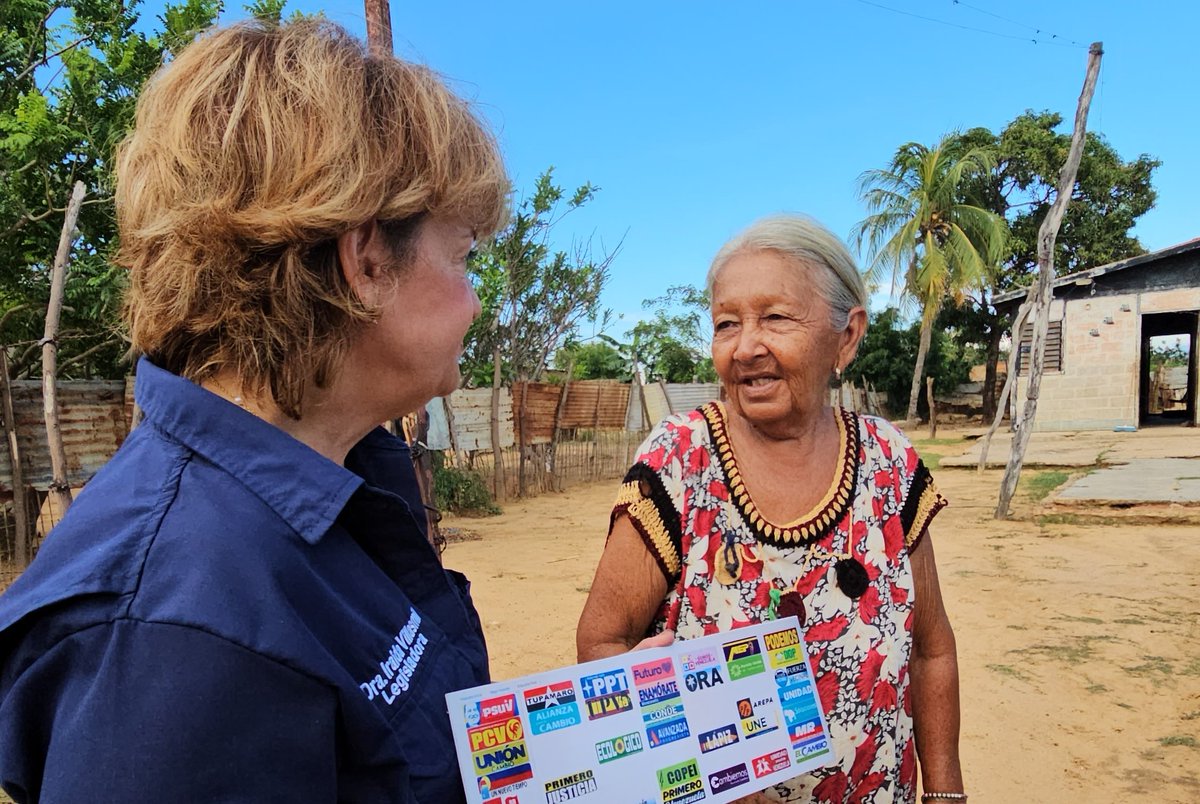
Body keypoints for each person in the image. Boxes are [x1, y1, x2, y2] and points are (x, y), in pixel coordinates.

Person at [0, 19, 507, 803]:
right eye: (464, 255)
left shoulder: (338, 476)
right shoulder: (170, 639)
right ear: (367, 259)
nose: (475, 301)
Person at [577, 215, 964, 804]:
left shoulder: (890, 461)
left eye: (776, 318)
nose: (746, 346)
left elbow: (932, 650)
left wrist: (945, 793)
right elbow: (602, 646)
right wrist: (689, 763)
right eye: (726, 323)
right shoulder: (680, 460)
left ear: (847, 336)